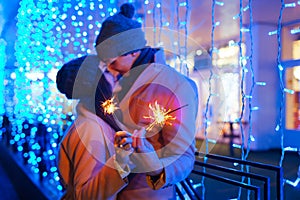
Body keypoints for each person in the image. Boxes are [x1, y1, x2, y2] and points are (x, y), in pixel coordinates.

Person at [94, 3, 199, 199]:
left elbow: (184, 157)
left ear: (133, 51)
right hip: (118, 191)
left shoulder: (173, 85)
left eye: (113, 61)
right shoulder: (123, 83)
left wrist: (154, 167)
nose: (110, 69)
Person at [56, 55, 140, 199]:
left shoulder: (93, 124)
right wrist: (120, 164)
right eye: (107, 72)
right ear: (94, 82)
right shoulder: (89, 129)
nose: (116, 75)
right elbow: (84, 195)